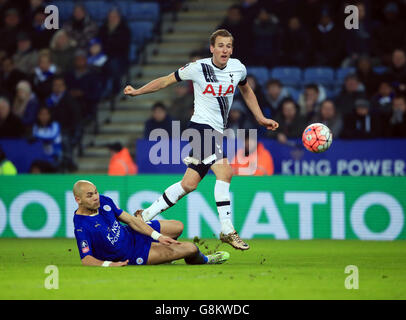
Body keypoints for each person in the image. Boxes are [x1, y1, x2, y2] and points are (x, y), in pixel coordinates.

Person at [124, 29, 279, 250]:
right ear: (212, 48)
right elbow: (166, 81)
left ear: (232, 49)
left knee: (189, 184)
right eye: (221, 45)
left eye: (228, 46)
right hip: (199, 128)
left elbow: (246, 91)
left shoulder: (238, 68)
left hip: (216, 132)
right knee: (226, 171)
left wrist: (260, 117)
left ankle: (144, 215)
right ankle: (227, 229)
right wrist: (138, 91)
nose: (225, 49)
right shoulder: (198, 68)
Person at [72, 180, 230, 266]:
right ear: (78, 200)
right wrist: (109, 265)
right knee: (191, 248)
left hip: (132, 234)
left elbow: (131, 221)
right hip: (132, 254)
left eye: (96, 192)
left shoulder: (104, 201)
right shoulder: (81, 226)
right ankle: (206, 260)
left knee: (178, 226)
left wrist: (158, 236)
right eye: (90, 195)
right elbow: (86, 259)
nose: (96, 197)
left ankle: (167, 254)